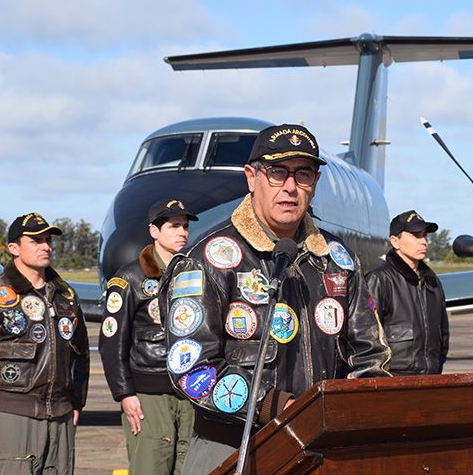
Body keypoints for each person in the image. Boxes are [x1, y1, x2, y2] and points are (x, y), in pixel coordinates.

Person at [159, 123, 391, 475]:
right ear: (252, 177)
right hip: (233, 448)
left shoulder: (338, 260)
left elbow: (370, 354)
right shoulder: (206, 260)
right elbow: (192, 369)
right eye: (277, 171)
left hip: (323, 449)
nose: (290, 186)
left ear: (315, 183)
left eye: (303, 174)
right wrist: (274, 406)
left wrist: (358, 414)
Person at [0, 213, 90, 475]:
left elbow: (81, 354)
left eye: (48, 240)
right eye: (36, 241)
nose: (46, 247)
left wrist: (76, 404)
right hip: (13, 415)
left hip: (61, 415)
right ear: (14, 249)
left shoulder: (66, 296)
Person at [99, 200, 199, 475]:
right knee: (151, 465)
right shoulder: (129, 278)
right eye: (174, 226)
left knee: (190, 466)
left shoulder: (196, 273)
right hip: (148, 392)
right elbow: (111, 341)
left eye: (186, 226)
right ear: (154, 231)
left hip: (192, 389)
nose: (183, 232)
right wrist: (125, 393)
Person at [365, 210, 449, 376]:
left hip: (430, 380)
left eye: (425, 236)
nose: (424, 242)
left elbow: (443, 336)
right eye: (415, 236)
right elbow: (367, 339)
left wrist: (435, 371)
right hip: (394, 383)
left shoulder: (433, 282)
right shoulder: (379, 280)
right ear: (395, 242)